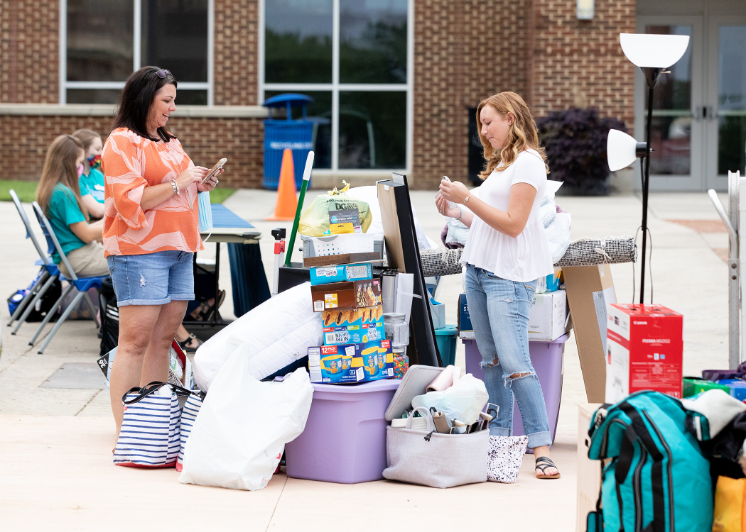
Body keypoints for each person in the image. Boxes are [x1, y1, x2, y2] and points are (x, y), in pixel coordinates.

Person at [436, 91, 559, 479]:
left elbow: (513, 224)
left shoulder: (528, 163)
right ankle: (498, 443)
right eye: (481, 125)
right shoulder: (503, 165)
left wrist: (467, 198)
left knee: (515, 363)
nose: (483, 132)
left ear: (510, 118)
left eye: (488, 123)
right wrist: (456, 210)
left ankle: (541, 449)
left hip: (509, 277)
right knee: (489, 361)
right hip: (478, 270)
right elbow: (487, 223)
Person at [102, 66, 221, 439]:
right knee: (135, 341)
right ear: (145, 99)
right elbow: (131, 200)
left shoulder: (169, 141)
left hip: (179, 248)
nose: (173, 107)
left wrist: (198, 185)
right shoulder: (122, 142)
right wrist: (179, 182)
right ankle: (127, 432)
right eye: (166, 100)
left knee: (163, 338)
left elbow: (177, 189)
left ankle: (151, 424)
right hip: (140, 251)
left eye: (174, 100)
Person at [36, 135, 108, 278]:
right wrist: (117, 225)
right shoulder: (64, 195)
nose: (82, 167)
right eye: (80, 162)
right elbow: (87, 235)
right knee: (133, 262)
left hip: (74, 256)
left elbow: (83, 229)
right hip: (79, 258)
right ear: (68, 162)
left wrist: (109, 220)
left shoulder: (54, 189)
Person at [72, 129, 105, 219]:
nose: (102, 153)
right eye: (98, 149)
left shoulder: (99, 175)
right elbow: (97, 211)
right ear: (82, 151)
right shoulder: (75, 177)